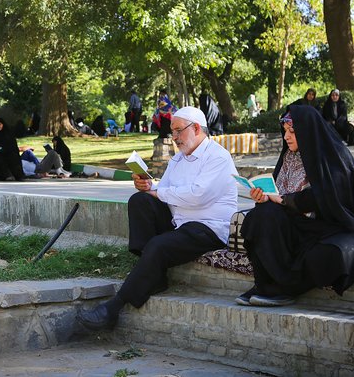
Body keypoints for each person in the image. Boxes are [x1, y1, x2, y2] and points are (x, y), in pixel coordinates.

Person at [78, 106, 238, 330]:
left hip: (209, 228)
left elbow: (197, 195)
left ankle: (113, 308)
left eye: (178, 131)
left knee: (158, 245)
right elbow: (163, 190)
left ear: (196, 129)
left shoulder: (218, 157)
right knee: (140, 200)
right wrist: (147, 185)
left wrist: (157, 191)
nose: (174, 137)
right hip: (180, 223)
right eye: (172, 131)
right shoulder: (178, 159)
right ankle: (153, 274)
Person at [235, 106, 354, 307]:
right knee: (261, 215)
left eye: (292, 132)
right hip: (298, 227)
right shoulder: (289, 156)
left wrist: (284, 200)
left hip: (332, 227)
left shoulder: (333, 156)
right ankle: (265, 285)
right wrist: (265, 198)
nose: (286, 136)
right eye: (285, 131)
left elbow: (327, 197)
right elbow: (278, 194)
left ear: (307, 132)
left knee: (334, 254)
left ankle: (284, 289)